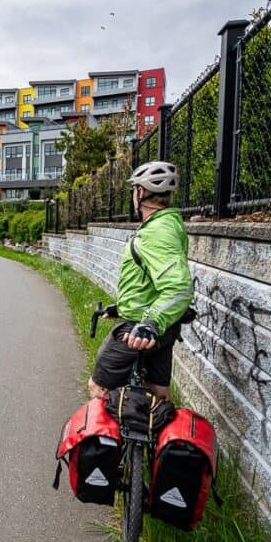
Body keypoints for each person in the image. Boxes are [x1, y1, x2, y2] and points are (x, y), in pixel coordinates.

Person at [88, 161, 194, 404]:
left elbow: (178, 286)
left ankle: (109, 442)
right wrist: (121, 307)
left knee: (98, 387)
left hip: (142, 328)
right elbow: (150, 278)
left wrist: (150, 323)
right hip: (166, 326)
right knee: (157, 394)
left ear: (141, 193)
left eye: (135, 189)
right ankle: (153, 441)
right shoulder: (169, 223)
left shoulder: (156, 232)